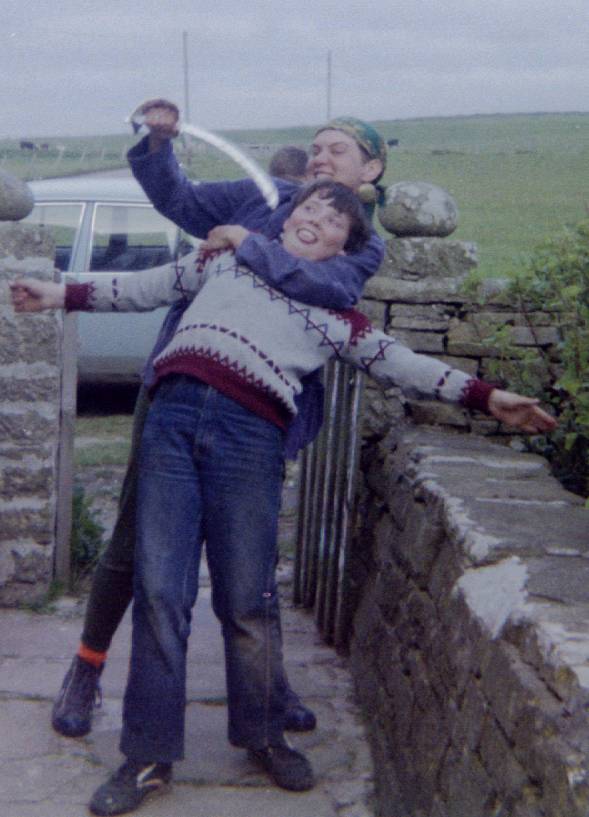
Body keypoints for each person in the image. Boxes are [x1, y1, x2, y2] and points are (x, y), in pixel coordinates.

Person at [12, 180, 557, 817]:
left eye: (333, 220)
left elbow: (403, 363)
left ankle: (264, 735)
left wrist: (487, 396)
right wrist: (58, 294)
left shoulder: (337, 316)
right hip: (171, 422)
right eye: (309, 207)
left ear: (341, 250)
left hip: (250, 439)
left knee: (249, 597)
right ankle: (148, 757)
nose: (315, 218)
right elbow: (144, 287)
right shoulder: (223, 262)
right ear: (289, 218)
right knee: (160, 591)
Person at [48, 100, 389, 743]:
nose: (320, 158)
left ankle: (268, 686)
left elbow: (327, 289)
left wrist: (247, 245)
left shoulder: (365, 242)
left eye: (338, 150)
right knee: (133, 540)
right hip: (178, 389)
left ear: (370, 169)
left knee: (249, 558)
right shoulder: (263, 196)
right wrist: (158, 145)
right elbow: (177, 198)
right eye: (315, 147)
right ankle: (86, 669)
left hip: (263, 413)